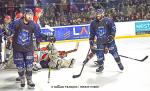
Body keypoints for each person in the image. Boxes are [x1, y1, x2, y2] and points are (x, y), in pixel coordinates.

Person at [9, 8, 41, 88]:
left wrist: (48, 37)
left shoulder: (33, 24)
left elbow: (38, 35)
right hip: (18, 48)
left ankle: (29, 80)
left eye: (31, 15)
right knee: (20, 66)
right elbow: (10, 30)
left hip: (28, 48)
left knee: (29, 65)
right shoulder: (17, 23)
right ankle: (22, 79)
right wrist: (9, 34)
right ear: (24, 14)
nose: (30, 16)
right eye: (28, 14)